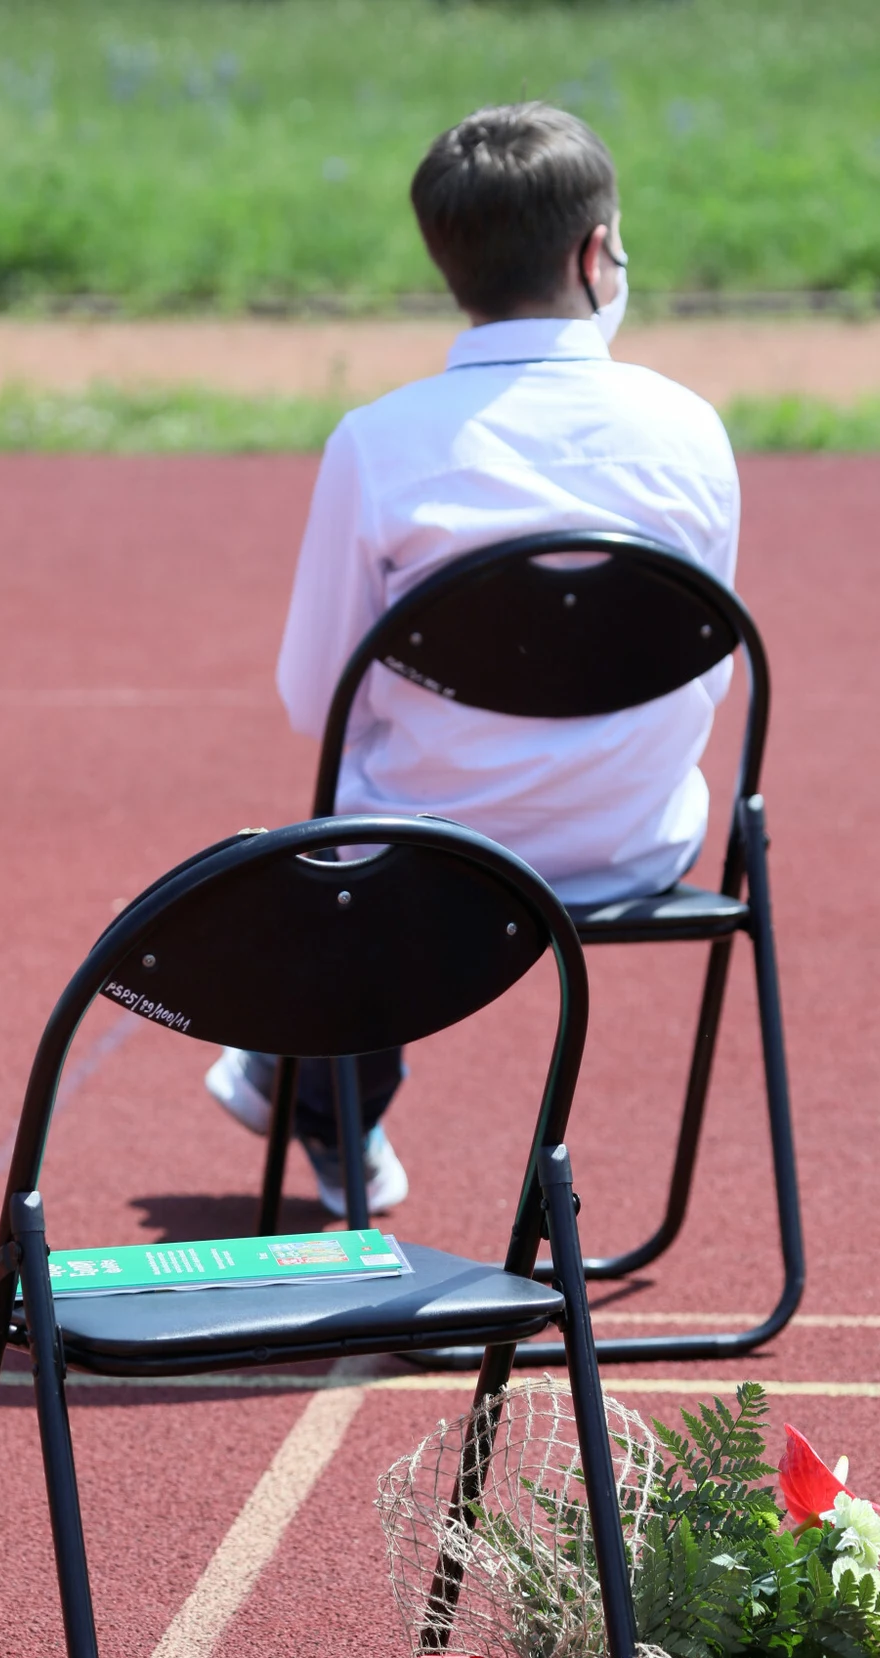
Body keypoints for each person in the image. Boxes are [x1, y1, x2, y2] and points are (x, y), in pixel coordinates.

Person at [207, 101, 740, 1215]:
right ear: (596, 254)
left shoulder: (379, 442)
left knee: (345, 831)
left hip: (423, 866)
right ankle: (306, 1083)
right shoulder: (691, 428)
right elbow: (705, 669)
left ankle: (322, 1088)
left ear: (446, 260)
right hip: (634, 845)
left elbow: (317, 702)